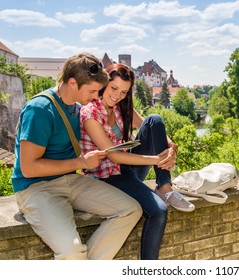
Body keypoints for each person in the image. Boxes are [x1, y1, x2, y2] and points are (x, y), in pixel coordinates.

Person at [11, 53, 142, 260]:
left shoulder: (77, 108)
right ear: (73, 83)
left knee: (131, 210)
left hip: (72, 180)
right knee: (72, 252)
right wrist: (81, 162)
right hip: (36, 188)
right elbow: (29, 168)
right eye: (92, 90)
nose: (96, 96)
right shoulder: (40, 110)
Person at [79, 63, 195, 260]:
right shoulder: (90, 113)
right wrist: (158, 160)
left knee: (154, 119)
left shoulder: (119, 106)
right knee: (158, 211)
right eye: (114, 88)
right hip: (106, 177)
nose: (117, 95)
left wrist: (171, 146)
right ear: (104, 84)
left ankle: (164, 186)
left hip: (125, 170)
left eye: (124, 92)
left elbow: (147, 126)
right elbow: (112, 155)